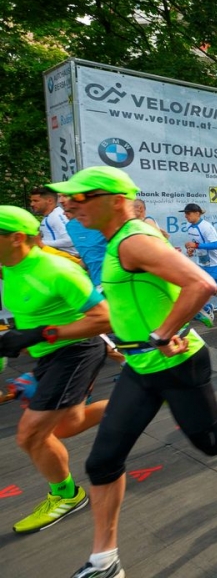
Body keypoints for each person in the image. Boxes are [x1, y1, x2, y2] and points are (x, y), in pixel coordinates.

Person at [47, 166, 217, 578]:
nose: (70, 206)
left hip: (178, 363)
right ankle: (104, 561)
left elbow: (200, 284)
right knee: (103, 462)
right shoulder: (116, 242)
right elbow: (125, 307)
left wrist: (164, 332)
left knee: (215, 442)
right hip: (141, 368)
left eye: (79, 199)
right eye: (67, 200)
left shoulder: (133, 241)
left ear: (114, 200)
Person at [0, 206, 111, 534]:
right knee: (67, 426)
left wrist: (38, 334)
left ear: (17, 238)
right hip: (49, 355)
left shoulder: (57, 270)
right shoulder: (9, 267)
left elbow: (104, 318)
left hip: (75, 352)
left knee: (31, 434)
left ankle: (66, 495)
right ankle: (148, 396)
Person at [30, 186, 78, 257]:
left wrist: (41, 243)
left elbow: (70, 240)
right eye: (31, 201)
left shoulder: (57, 216)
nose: (32, 204)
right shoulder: (49, 216)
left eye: (36, 201)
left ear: (50, 201)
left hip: (69, 261)